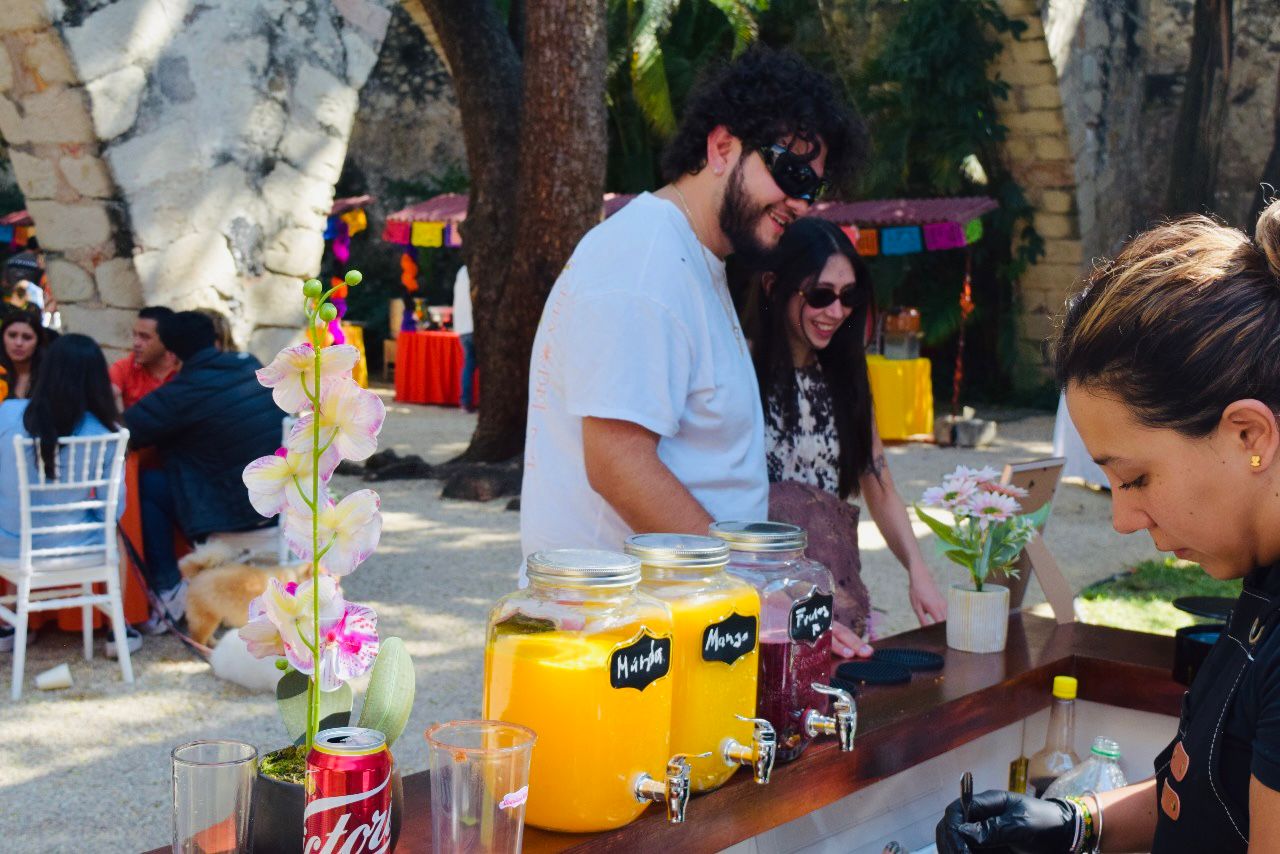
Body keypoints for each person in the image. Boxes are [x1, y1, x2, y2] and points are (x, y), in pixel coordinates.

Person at [936, 202, 1280, 853]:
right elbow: (1218, 789)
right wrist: (1076, 825)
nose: (1123, 519)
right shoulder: (1261, 574)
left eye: (1137, 478)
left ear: (1247, 435)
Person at [520, 47, 865, 565]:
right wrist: (748, 586)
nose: (800, 202)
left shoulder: (690, 257)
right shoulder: (646, 262)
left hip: (676, 618)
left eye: (812, 187)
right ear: (722, 147)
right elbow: (617, 461)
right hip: (622, 631)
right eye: (790, 173)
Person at [750, 218, 946, 657]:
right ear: (773, 287)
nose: (836, 312)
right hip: (759, 606)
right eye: (820, 296)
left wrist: (918, 569)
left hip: (834, 599)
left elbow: (879, 483)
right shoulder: (739, 371)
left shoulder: (847, 378)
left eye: (848, 296)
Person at [122, 311, 280, 634]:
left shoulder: (181, 393)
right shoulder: (251, 364)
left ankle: (169, 591)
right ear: (215, 338)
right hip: (281, 506)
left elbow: (126, 431)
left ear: (171, 352)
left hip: (231, 513)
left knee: (148, 484)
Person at [0, 334, 126, 653]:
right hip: (75, 548)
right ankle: (118, 630)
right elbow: (112, 513)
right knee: (117, 537)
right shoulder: (107, 432)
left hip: (9, 546)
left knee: (16, 518)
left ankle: (12, 625)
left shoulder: (8, 413)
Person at [109, 306, 179, 410]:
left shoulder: (185, 368)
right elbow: (102, 399)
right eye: (135, 335)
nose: (136, 343)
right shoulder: (124, 368)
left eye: (145, 337)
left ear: (167, 339)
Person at [0, 310, 46, 400]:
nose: (18, 343)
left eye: (27, 337)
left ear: (38, 342)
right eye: (12, 335)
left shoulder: (49, 376)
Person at [453, 265, 476, 412]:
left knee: (468, 365)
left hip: (462, 327)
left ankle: (465, 401)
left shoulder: (461, 271)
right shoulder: (478, 269)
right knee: (474, 365)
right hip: (474, 326)